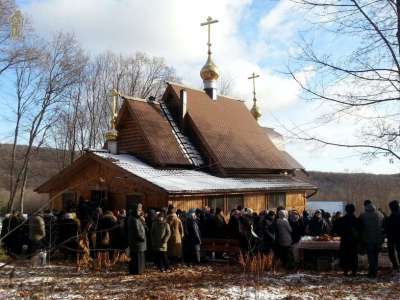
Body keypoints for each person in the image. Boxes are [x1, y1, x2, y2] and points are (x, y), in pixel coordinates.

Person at [359, 200, 384, 278]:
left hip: (368, 239)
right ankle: (375, 271)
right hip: (378, 239)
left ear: (365, 206)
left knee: (370, 256)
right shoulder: (380, 214)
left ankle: (371, 272)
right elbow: (383, 227)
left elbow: (360, 228)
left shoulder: (363, 215)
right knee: (375, 256)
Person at [335, 204, 361, 276]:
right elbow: (360, 231)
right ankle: (354, 271)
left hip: (345, 241)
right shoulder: (357, 220)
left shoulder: (341, 220)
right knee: (354, 256)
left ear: (346, 210)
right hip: (354, 241)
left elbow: (337, 231)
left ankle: (345, 271)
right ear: (354, 210)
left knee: (345, 255)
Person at [127, 203, 147, 275]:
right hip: (137, 242)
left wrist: (143, 220)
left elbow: (143, 228)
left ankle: (136, 271)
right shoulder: (134, 219)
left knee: (136, 257)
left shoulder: (135, 218)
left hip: (136, 242)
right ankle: (137, 271)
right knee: (137, 258)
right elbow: (138, 231)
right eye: (139, 210)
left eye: (140, 210)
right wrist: (142, 238)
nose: (140, 211)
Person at [384, 200, 400, 272]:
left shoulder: (391, 217)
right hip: (397, 237)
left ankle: (395, 266)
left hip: (391, 237)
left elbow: (387, 227)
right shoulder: (395, 215)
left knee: (391, 252)